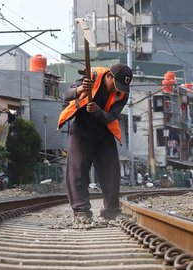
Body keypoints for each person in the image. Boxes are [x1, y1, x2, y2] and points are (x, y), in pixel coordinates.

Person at [57, 63, 132, 223]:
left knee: (111, 171)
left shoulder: (123, 92)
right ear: (109, 76)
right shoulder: (92, 77)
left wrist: (97, 111)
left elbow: (111, 116)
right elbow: (66, 94)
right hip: (81, 130)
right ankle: (81, 212)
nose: (118, 90)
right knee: (77, 170)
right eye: (116, 85)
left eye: (122, 87)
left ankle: (111, 211)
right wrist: (81, 90)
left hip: (104, 131)